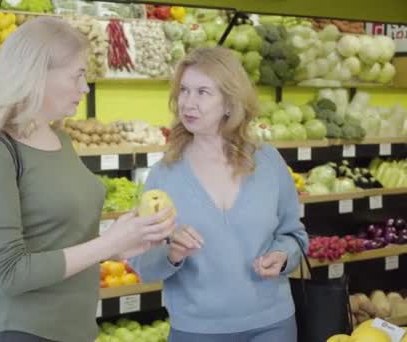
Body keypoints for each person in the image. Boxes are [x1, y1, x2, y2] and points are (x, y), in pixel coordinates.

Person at [0, 16, 176, 342]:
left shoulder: (59, 139)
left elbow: (61, 241)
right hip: (21, 332)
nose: (85, 88)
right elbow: (8, 273)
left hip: (75, 330)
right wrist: (109, 243)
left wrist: (124, 243)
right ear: (37, 75)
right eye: (77, 76)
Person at [129, 47, 309, 342]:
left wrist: (282, 254)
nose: (188, 102)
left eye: (202, 92)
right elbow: (143, 264)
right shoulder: (164, 174)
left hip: (273, 325)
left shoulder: (267, 162)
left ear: (229, 102)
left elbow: (295, 236)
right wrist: (172, 253)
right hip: (197, 330)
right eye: (184, 91)